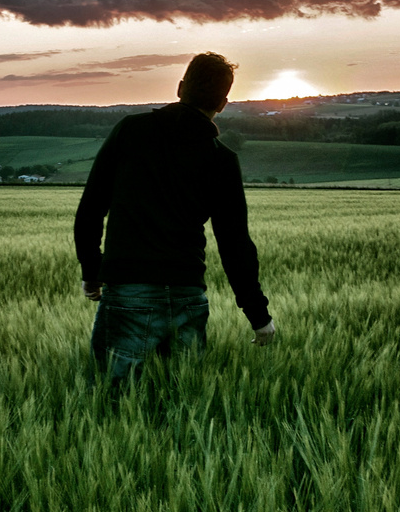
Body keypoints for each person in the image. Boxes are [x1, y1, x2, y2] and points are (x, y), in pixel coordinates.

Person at [74, 52, 275, 384]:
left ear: (180, 87)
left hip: (128, 292)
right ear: (223, 103)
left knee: (113, 407)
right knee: (182, 406)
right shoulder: (221, 159)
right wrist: (258, 316)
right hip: (187, 297)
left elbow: (92, 206)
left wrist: (91, 270)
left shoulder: (130, 131)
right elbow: (235, 244)